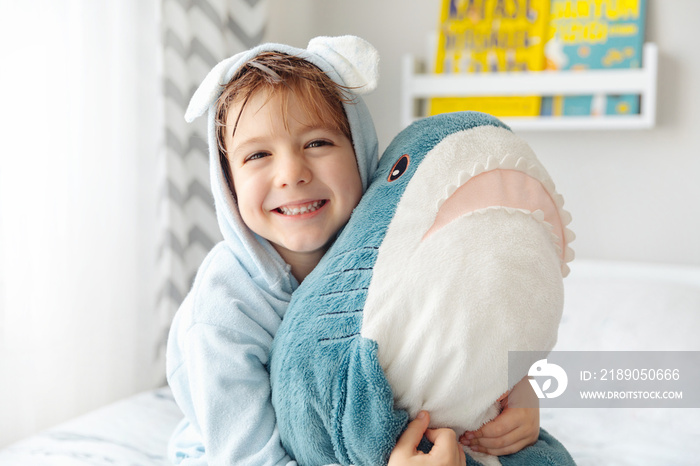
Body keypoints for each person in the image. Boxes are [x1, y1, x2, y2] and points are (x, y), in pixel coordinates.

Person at [166, 35, 538, 465]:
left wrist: (522, 389)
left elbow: (468, 319)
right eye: (258, 155)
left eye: (317, 143)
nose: (292, 173)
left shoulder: (388, 247)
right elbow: (249, 458)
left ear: (361, 153)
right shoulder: (222, 312)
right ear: (228, 183)